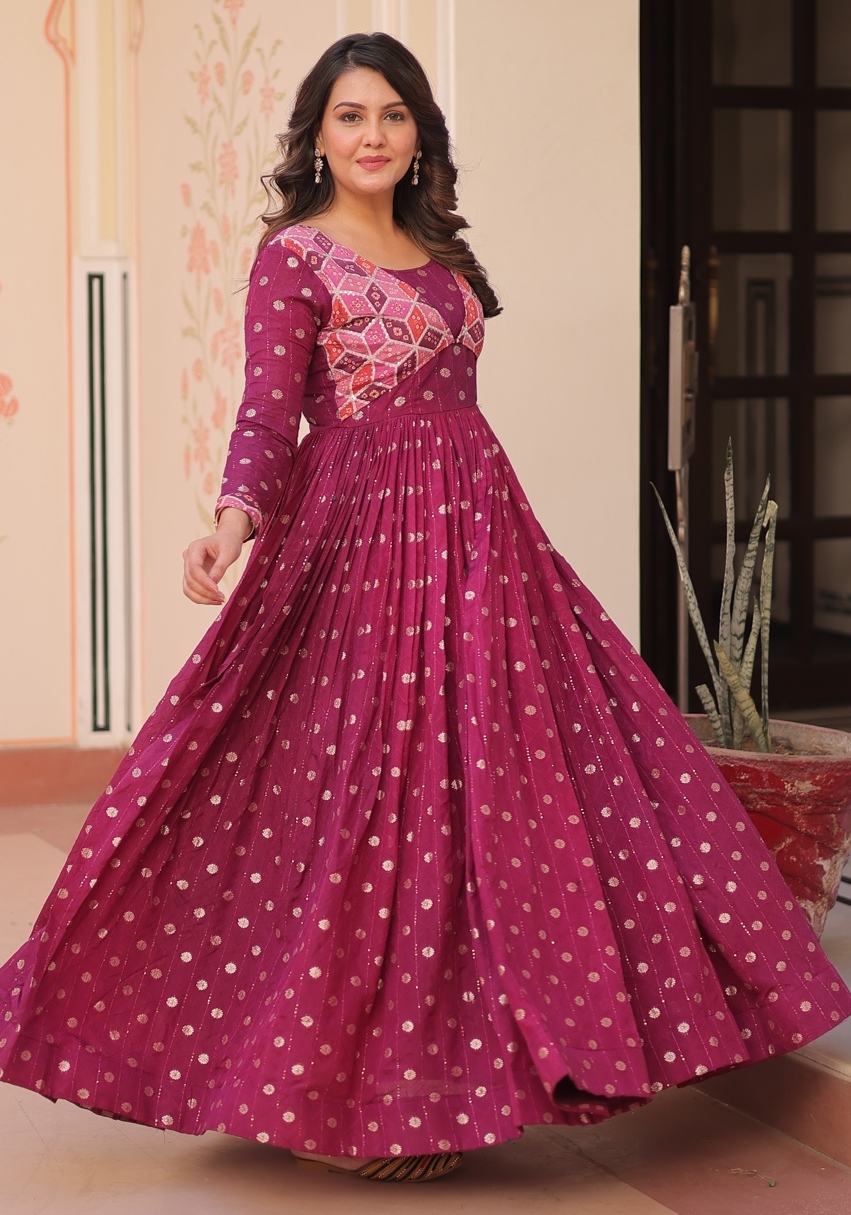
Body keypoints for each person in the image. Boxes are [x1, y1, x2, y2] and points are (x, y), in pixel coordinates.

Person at [1, 31, 850, 1188]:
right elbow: (267, 414)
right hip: (358, 540)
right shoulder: (293, 257)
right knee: (360, 791)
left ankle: (450, 1080)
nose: (373, 135)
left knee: (498, 787)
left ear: (418, 134)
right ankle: (333, 1086)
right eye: (350, 116)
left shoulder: (441, 254)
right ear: (317, 136)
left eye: (392, 115)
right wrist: (231, 526)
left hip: (480, 536)